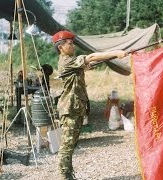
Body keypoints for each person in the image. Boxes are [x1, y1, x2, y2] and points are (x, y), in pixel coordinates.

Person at [52, 30, 127, 180]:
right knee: (67, 146)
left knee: (71, 144)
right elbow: (91, 56)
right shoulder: (67, 61)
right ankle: (63, 176)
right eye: (70, 44)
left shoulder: (70, 62)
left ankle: (68, 175)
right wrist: (115, 53)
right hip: (70, 109)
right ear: (61, 47)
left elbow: (84, 65)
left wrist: (85, 67)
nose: (73, 46)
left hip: (75, 108)